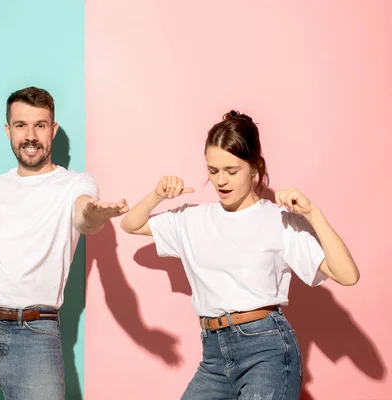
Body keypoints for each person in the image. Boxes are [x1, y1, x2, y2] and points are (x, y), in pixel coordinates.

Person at [120, 110, 359, 399]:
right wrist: (158, 194)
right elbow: (131, 224)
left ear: (255, 167)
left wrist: (313, 214)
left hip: (266, 350)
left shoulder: (279, 220)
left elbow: (347, 275)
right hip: (213, 356)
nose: (221, 181)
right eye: (213, 170)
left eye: (231, 171)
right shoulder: (192, 219)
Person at [0, 87, 129, 400]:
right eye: (21, 125)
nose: (30, 136)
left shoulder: (75, 184)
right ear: (8, 130)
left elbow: (83, 217)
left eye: (40, 125)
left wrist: (96, 216)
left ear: (53, 129)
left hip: (35, 336)